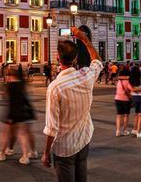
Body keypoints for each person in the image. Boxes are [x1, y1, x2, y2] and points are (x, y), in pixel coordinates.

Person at [42, 26, 102, 182]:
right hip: (83, 140)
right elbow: (97, 61)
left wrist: (46, 152)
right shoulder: (86, 76)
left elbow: (52, 127)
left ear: (57, 58)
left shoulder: (55, 87)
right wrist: (84, 39)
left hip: (64, 148)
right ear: (75, 59)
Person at [0, 67, 35, 165]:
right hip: (23, 112)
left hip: (11, 113)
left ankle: (2, 153)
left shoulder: (9, 86)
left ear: (9, 76)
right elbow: (26, 99)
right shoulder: (23, 84)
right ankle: (25, 156)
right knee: (22, 134)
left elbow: (10, 101)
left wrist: (9, 116)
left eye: (6, 75)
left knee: (4, 133)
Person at [129, 66, 141, 138]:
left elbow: (132, 90)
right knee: (140, 115)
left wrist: (137, 89)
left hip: (134, 97)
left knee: (136, 114)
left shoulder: (130, 79)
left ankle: (134, 129)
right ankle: (139, 132)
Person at [114, 68, 132, 136]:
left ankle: (118, 131)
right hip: (126, 99)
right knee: (126, 115)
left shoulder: (119, 81)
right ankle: (124, 130)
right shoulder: (128, 82)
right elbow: (130, 89)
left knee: (119, 115)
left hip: (117, 98)